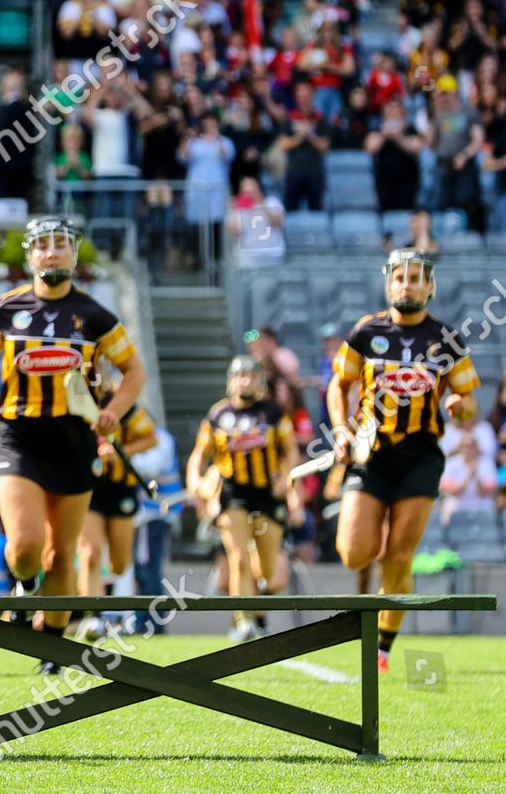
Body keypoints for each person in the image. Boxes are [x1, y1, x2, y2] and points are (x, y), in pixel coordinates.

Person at [0, 216, 145, 674]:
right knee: (24, 545)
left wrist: (112, 413)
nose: (53, 252)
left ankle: (52, 648)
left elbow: (134, 372)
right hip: (19, 437)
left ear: (74, 255)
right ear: (30, 254)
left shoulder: (96, 316)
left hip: (74, 441)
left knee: (63, 553)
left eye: (62, 245)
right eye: (44, 245)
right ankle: (23, 587)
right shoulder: (6, 308)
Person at [329, 249, 479, 674]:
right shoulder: (366, 332)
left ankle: (382, 647)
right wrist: (341, 428)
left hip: (420, 457)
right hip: (371, 455)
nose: (407, 284)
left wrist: (458, 404)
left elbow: (469, 400)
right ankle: (373, 600)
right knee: (355, 553)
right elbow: (337, 387)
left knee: (398, 557)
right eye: (400, 277)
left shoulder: (446, 339)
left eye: (416, 278)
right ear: (388, 283)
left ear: (430, 286)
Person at [186, 357, 303, 641]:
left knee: (268, 571)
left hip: (267, 494)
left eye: (251, 375)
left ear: (259, 380)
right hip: (233, 494)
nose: (245, 381)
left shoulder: (273, 412)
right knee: (238, 558)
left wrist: (286, 481)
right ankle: (244, 621)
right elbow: (198, 457)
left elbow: (290, 451)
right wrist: (197, 485)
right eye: (240, 376)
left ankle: (257, 610)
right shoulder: (218, 415)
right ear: (231, 380)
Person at [76, 374, 157, 640]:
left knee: (119, 564)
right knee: (89, 553)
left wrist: (122, 450)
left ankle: (103, 596)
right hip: (87, 488)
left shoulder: (124, 405)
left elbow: (150, 438)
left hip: (121, 489)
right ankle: (93, 617)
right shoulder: (74, 401)